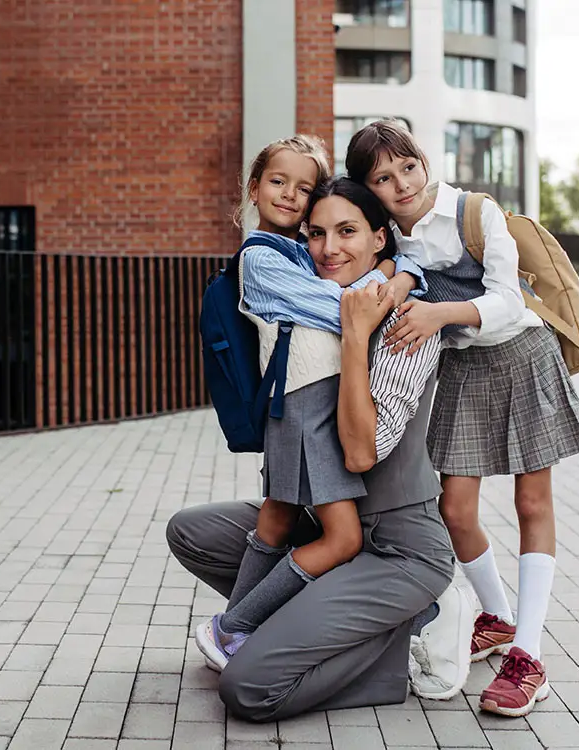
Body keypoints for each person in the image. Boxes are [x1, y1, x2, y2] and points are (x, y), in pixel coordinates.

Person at [168, 177, 461, 721]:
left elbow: (359, 454)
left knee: (248, 689)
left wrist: (356, 336)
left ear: (380, 238)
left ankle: (395, 638)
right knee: (190, 531)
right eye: (318, 233)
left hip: (399, 550)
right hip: (325, 530)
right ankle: (306, 623)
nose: (330, 249)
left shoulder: (408, 325)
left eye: (347, 232)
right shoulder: (314, 298)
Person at [344, 118, 579, 717]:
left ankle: (528, 657)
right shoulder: (389, 242)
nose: (402, 183)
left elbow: (510, 301)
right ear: (366, 188)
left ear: (424, 160)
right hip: (463, 372)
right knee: (454, 510)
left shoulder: (475, 213)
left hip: (522, 355)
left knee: (532, 503)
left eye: (408, 165)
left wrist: (437, 314)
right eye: (383, 176)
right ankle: (500, 619)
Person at [196, 136, 426, 669]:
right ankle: (235, 627)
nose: (289, 196)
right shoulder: (259, 258)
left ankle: (229, 635)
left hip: (306, 403)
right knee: (342, 538)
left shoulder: (301, 252)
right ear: (253, 187)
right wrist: (391, 276)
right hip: (303, 408)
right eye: (278, 182)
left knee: (276, 522)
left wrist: (390, 274)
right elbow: (343, 311)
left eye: (304, 188)